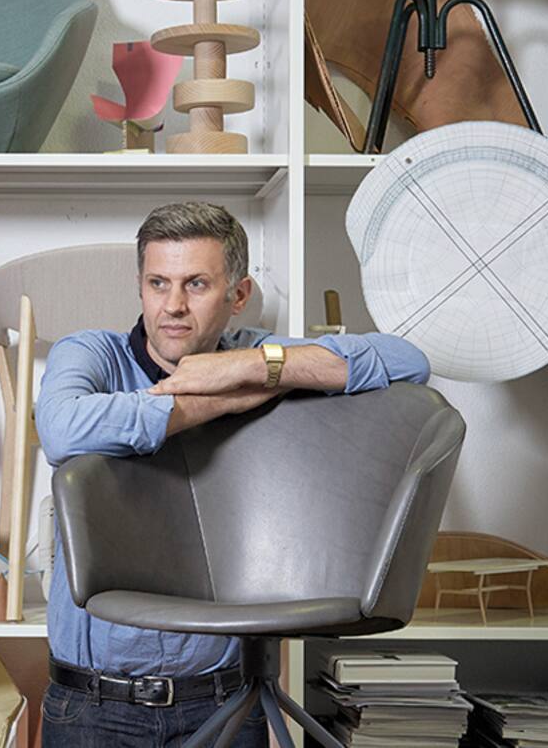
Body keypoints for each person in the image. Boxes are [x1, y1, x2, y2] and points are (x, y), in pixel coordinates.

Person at [34, 202, 431, 747]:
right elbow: (61, 431)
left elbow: (408, 362)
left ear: (238, 295)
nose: (173, 306)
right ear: (141, 287)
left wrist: (251, 368)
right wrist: (215, 401)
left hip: (225, 701)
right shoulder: (93, 354)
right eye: (157, 283)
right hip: (93, 705)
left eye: (196, 284)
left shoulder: (259, 356)